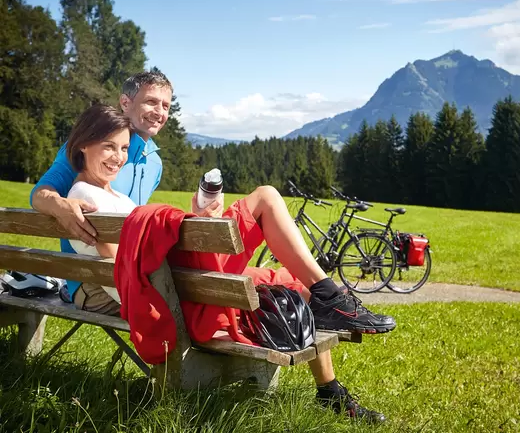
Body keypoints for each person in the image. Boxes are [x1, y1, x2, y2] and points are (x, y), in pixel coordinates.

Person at [30, 71, 396, 421]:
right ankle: (329, 300)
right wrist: (59, 204)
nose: (159, 111)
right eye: (151, 102)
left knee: (289, 280)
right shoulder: (83, 167)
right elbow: (45, 194)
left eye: (166, 105)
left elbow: (144, 231)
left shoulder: (150, 161)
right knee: (266, 202)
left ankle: (329, 386)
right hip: (135, 284)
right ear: (125, 103)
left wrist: (195, 219)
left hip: (159, 271)